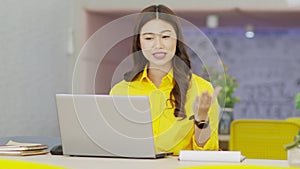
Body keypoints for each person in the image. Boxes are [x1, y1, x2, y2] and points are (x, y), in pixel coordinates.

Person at [110, 4, 221, 155]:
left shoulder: (202, 89)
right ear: (139, 43)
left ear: (177, 41)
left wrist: (201, 119)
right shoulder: (120, 92)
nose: (158, 45)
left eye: (165, 37)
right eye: (149, 38)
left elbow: (208, 153)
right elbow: (113, 146)